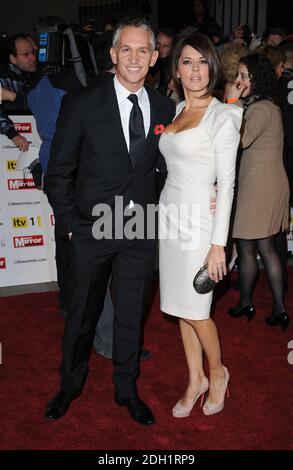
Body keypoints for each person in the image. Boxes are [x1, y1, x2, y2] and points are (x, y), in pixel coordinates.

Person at [44, 18, 176, 425]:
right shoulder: (83, 102)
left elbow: (165, 169)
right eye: (127, 50)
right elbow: (59, 171)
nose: (134, 58)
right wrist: (69, 225)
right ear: (113, 54)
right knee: (82, 314)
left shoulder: (165, 107)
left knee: (131, 315)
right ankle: (70, 385)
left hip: (139, 232)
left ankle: (126, 387)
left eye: (143, 51)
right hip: (91, 229)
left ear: (154, 58)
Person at [158, 33, 242, 418]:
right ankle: (195, 379)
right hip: (170, 220)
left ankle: (218, 371)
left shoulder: (222, 116)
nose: (195, 69)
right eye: (187, 61)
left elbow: (227, 184)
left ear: (213, 67)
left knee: (197, 308)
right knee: (178, 305)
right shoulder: (176, 110)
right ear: (176, 68)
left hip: (200, 226)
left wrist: (218, 244)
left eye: (202, 61)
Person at [226, 54, 290, 331]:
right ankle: (251, 302)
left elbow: (241, 139)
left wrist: (232, 102)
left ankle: (276, 308)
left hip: (262, 187)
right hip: (260, 184)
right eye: (237, 75)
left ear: (257, 78)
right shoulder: (262, 105)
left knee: (257, 247)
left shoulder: (262, 108)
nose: (238, 81)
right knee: (252, 247)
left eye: (243, 76)